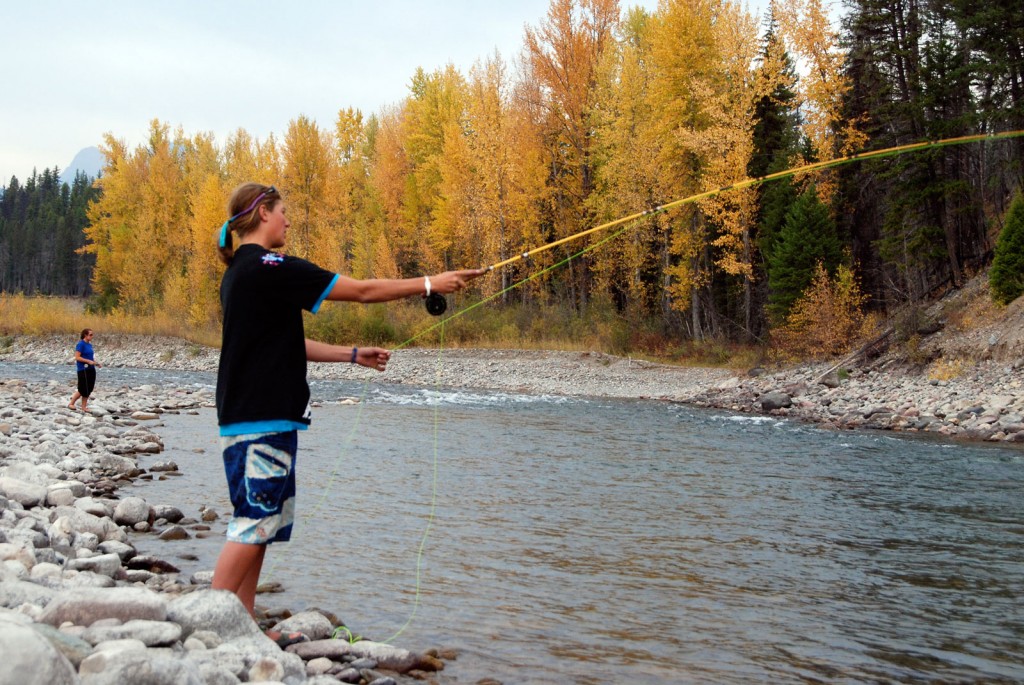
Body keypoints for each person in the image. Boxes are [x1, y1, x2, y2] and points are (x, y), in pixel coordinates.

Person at [210, 182, 484, 646]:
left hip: (252, 415)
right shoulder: (271, 267)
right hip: (262, 417)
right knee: (254, 521)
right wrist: (428, 283)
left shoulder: (241, 272)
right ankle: (208, 620)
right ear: (261, 216)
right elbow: (362, 291)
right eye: (283, 213)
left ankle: (241, 622)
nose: (288, 222)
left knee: (262, 521)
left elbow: (281, 343)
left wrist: (351, 355)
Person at [68, 328, 101, 411]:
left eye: (92, 334)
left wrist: (96, 363)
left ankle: (84, 407)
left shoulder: (89, 345)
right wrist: (88, 361)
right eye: (90, 335)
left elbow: (90, 357)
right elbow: (77, 357)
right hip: (83, 369)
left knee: (89, 388)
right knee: (82, 388)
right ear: (85, 335)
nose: (92, 336)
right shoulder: (80, 344)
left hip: (91, 368)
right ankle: (71, 403)